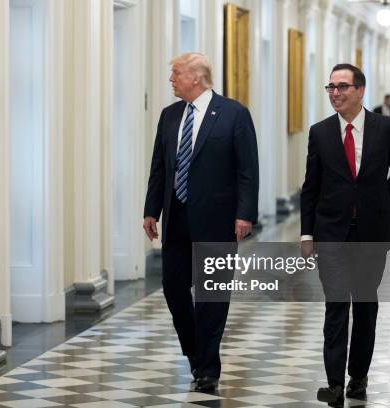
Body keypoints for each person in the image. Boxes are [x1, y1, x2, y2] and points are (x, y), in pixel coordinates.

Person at [143, 53, 259, 392]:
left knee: (212, 294)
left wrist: (245, 213)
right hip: (176, 216)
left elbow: (247, 169)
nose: (171, 79)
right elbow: (159, 168)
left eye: (176, 73)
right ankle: (196, 350)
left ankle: (208, 367)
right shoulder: (169, 115)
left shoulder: (234, 114)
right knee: (173, 287)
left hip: (218, 219)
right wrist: (151, 210)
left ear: (197, 77)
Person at [300, 64, 390, 406]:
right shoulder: (320, 132)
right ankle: (333, 383)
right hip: (330, 232)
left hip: (370, 235)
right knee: (335, 305)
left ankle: (357, 377)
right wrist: (307, 233)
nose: (335, 93)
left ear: (360, 90)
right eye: (330, 87)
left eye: (342, 87)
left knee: (364, 305)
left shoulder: (386, 128)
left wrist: (377, 205)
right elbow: (311, 188)